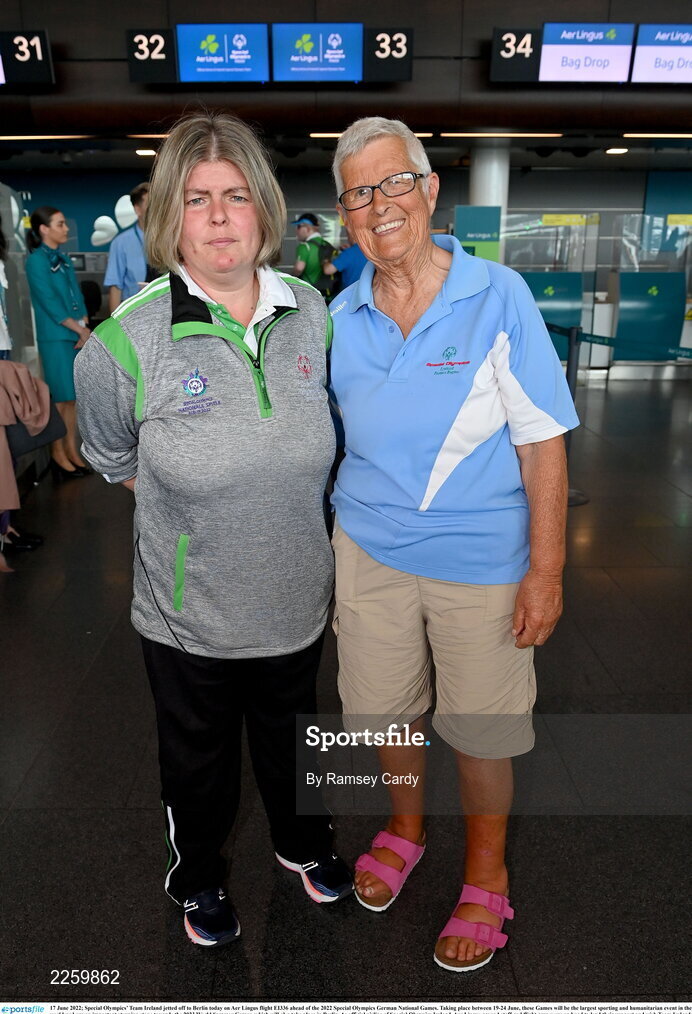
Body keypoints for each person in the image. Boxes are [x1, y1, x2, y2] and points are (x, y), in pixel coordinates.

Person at [74, 111, 352, 948]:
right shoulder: (122, 344)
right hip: (188, 615)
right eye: (198, 199)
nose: (221, 216)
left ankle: (303, 845)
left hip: (297, 597)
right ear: (169, 217)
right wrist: (195, 524)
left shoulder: (312, 310)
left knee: (295, 741)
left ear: (265, 208)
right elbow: (111, 454)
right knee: (198, 766)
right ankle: (197, 876)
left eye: (236, 195)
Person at [328, 117, 579, 972]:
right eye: (359, 192)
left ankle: (485, 869)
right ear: (344, 217)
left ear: (432, 191)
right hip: (367, 550)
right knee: (384, 712)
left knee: (481, 730)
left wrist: (546, 569)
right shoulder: (338, 316)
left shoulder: (497, 295)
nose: (379, 203)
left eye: (394, 181)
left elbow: (542, 438)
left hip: (480, 560)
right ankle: (404, 828)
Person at [24, 206, 91, 479]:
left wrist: (85, 325)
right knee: (61, 399)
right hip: (56, 336)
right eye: (60, 224)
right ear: (44, 229)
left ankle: (71, 450)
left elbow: (76, 293)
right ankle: (57, 454)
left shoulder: (62, 258)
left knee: (73, 399)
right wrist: (78, 329)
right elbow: (49, 302)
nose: (66, 229)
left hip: (76, 333)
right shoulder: (36, 261)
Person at [104, 182, 150, 312]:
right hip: (135, 312)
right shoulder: (121, 243)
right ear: (137, 209)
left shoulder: (173, 239)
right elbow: (115, 287)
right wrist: (115, 328)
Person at [291, 212, 337, 298]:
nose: (296, 231)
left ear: (307, 228)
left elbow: (299, 268)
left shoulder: (304, 246)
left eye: (298, 227)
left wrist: (291, 278)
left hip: (309, 293)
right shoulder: (327, 245)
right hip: (327, 292)